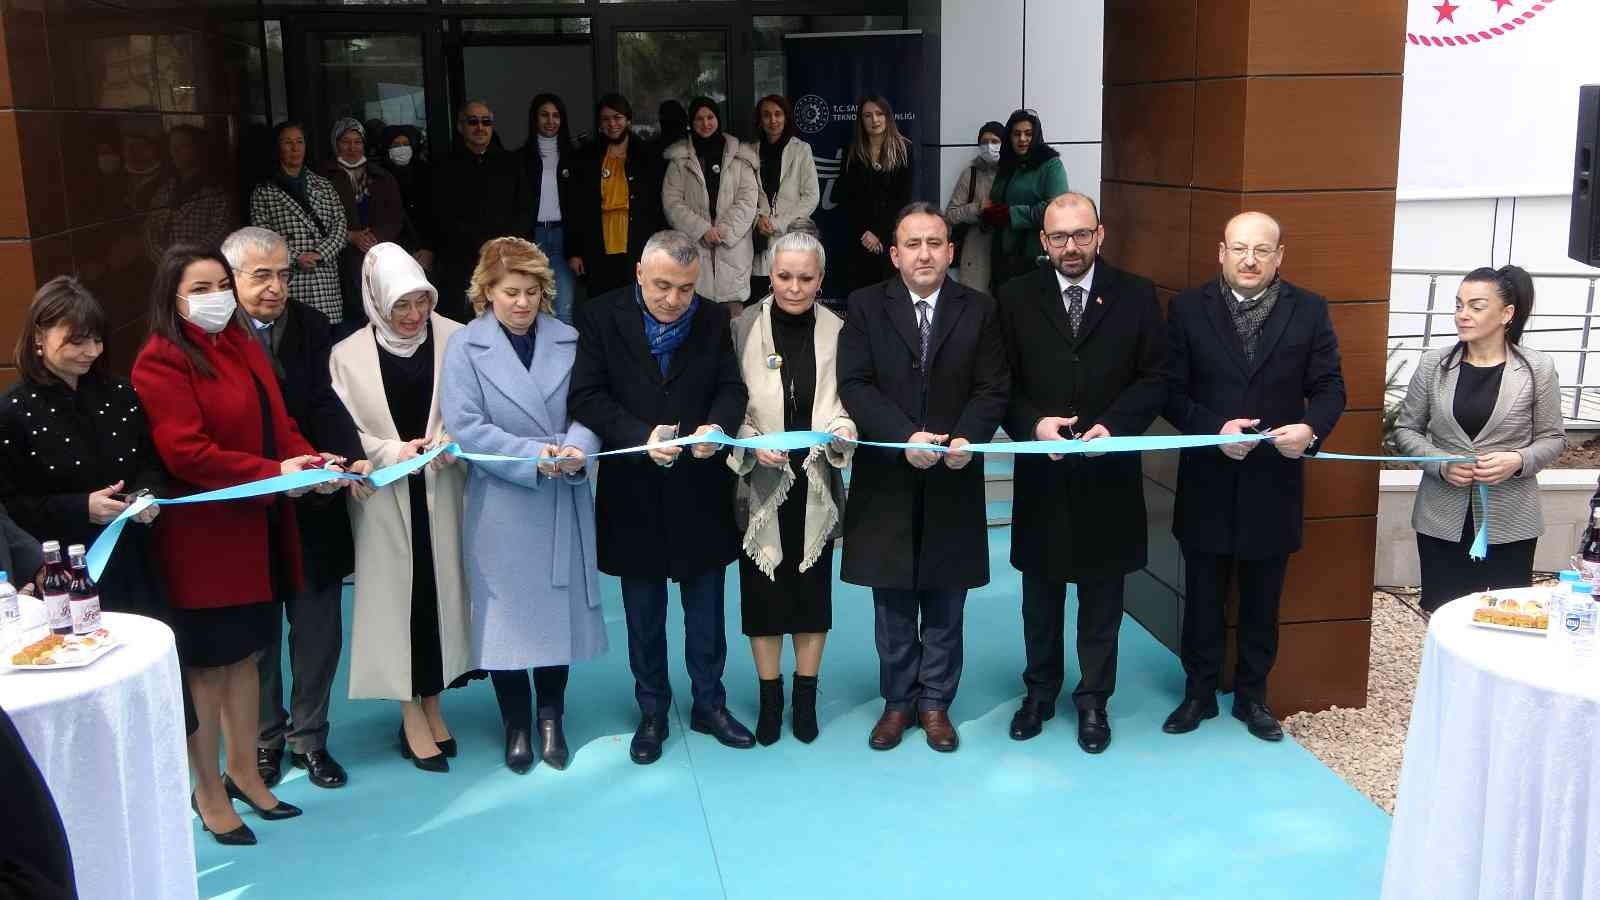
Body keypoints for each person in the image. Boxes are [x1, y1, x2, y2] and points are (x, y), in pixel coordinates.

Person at [132, 245, 348, 845]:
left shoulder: (240, 346)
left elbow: (279, 424)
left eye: (220, 284)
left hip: (255, 531)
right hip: (201, 543)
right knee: (207, 671)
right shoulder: (160, 361)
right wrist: (273, 473)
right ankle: (207, 792)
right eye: (199, 288)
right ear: (172, 299)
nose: (214, 298)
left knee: (248, 660)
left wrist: (308, 460)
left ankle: (244, 773)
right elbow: (185, 453)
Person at [569, 229, 754, 764]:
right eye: (662, 287)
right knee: (643, 613)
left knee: (707, 612)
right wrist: (637, 436)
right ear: (639, 276)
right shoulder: (600, 317)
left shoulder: (715, 318)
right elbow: (586, 395)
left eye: (686, 289)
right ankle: (652, 710)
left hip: (700, 487)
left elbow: (731, 388)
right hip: (634, 490)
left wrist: (715, 430)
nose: (674, 300)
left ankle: (709, 704)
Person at [1161, 212, 1346, 742]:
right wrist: (1213, 430)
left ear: (1279, 256)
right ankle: (1198, 694)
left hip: (1274, 481)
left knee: (1264, 599)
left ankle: (1252, 697)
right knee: (1201, 597)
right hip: (1208, 479)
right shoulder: (1188, 309)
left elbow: (1331, 388)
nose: (1249, 260)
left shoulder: (1309, 310)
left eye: (1261, 250)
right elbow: (1171, 391)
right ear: (1221, 251)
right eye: (1239, 248)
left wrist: (1310, 429)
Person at [836, 202, 1009, 753]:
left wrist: (966, 439)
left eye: (935, 243)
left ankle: (935, 701)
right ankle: (897, 701)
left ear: (951, 251)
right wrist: (903, 437)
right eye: (913, 244)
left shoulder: (979, 310)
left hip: (954, 472)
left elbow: (993, 388)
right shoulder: (864, 307)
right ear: (894, 253)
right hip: (888, 472)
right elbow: (856, 384)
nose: (925, 254)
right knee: (890, 598)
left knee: (945, 596)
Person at [996, 194, 1166, 754]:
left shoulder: (1137, 296)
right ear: (1043, 242)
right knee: (1039, 595)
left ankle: (1094, 699)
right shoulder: (1016, 297)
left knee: (1101, 598)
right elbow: (1002, 384)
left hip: (1108, 475)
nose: (1071, 247)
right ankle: (1039, 693)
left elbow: (1154, 378)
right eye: (1059, 237)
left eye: (1081, 234)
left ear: (1100, 234)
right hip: (1043, 476)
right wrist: (1032, 425)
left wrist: (1115, 427)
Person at [442, 237, 605, 774]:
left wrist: (579, 448)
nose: (522, 302)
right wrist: (536, 455)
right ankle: (515, 720)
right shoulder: (464, 347)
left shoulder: (571, 339)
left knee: (555, 616)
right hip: (503, 502)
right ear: (486, 291)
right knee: (505, 620)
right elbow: (466, 428)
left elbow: (589, 404)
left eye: (532, 292)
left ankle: (551, 716)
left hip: (562, 495)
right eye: (510, 291)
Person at [219, 226, 372, 792]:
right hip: (252, 502)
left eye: (284, 274)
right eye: (261, 275)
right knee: (259, 632)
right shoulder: (213, 333)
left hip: (315, 495)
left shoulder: (311, 325)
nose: (276, 287)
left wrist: (349, 460)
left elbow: (326, 403)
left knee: (317, 628)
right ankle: (265, 739)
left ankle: (311, 738)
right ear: (230, 278)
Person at [331, 242, 472, 773]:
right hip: (387, 494)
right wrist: (394, 452)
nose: (414, 317)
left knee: (440, 597)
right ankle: (410, 712)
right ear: (376, 302)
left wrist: (447, 440)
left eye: (421, 302)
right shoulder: (347, 355)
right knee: (400, 604)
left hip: (443, 487)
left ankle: (434, 702)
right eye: (401, 307)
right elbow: (345, 428)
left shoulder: (456, 338)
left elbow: (474, 405)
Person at [728, 228, 855, 745]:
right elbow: (726, 402)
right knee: (762, 595)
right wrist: (747, 440)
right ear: (769, 274)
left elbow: (849, 398)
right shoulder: (740, 328)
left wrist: (844, 427)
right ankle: (769, 697)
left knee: (811, 595)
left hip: (817, 479)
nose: (795, 288)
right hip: (758, 480)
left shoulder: (842, 330)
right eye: (784, 276)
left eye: (806, 278)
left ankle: (805, 698)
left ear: (821, 279)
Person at [1395, 266, 1565, 612]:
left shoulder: (1537, 368)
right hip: (1441, 518)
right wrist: (1441, 464)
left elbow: (1553, 438)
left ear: (1506, 314)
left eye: (1475, 306)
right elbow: (1406, 430)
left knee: (1505, 616)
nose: (1463, 315)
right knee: (1443, 614)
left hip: (1511, 521)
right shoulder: (1434, 364)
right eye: (1458, 305)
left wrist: (1517, 461)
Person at [0, 276, 167, 619]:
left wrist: (146, 496)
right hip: (64, 569)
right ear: (38, 338)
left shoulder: (120, 393)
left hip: (135, 555)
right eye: (76, 342)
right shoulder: (12, 410)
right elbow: (11, 507)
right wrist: (80, 507)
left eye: (96, 340)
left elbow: (151, 461)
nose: (91, 351)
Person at [432, 100, 534, 321]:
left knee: (506, 320)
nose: (480, 127)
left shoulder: (511, 163)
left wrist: (502, 244)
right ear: (461, 127)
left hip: (505, 259)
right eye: (473, 122)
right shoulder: (444, 166)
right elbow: (442, 215)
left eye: (486, 122)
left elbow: (525, 210)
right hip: (461, 261)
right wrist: (480, 244)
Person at [662, 97, 761, 307]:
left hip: (732, 248)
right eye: (699, 119)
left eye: (710, 117)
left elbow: (748, 199)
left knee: (733, 324)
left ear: (718, 119)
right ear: (691, 122)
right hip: (696, 246)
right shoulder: (679, 160)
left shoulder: (741, 157)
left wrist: (722, 231)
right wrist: (702, 229)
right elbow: (672, 203)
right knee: (697, 319)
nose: (705, 123)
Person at [249, 121, 349, 326]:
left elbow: (340, 226)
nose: (295, 148)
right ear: (278, 147)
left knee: (327, 342)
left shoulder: (323, 185)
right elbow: (262, 237)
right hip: (292, 278)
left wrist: (320, 253)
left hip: (324, 277)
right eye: (287, 142)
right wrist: (296, 257)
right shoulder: (264, 190)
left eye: (299, 142)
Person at [569, 94, 664, 296]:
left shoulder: (647, 156)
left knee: (636, 301)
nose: (612, 124)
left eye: (617, 117)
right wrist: (575, 251)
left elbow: (656, 207)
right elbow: (576, 207)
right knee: (601, 304)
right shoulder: (586, 157)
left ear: (628, 119)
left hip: (637, 242)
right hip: (597, 243)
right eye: (605, 119)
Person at [321, 119, 405, 336]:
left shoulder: (381, 175)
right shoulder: (323, 177)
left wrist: (373, 238)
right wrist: (350, 236)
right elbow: (321, 220)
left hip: (376, 257)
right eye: (345, 142)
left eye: (357, 142)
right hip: (340, 260)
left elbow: (395, 216)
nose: (352, 148)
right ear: (335, 144)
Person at [835, 96, 915, 292]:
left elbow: (902, 198)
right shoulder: (852, 151)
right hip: (859, 238)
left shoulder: (904, 149)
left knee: (890, 295)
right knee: (861, 297)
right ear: (861, 121)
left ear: (888, 117)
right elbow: (848, 198)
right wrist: (865, 233)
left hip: (889, 237)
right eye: (868, 115)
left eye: (879, 114)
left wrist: (879, 233)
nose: (875, 120)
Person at [984, 109, 1069, 288]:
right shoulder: (1007, 165)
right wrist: (988, 213)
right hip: (1003, 257)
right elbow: (995, 200)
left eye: (1028, 134)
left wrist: (1012, 214)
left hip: (1034, 258)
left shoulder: (1050, 165)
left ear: (1036, 135)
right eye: (1016, 134)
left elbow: (1057, 210)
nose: (1022, 139)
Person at [749, 96, 820, 303]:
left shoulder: (801, 149)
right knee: (760, 299)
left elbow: (811, 196)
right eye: (767, 115)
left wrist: (778, 223)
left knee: (789, 295)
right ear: (760, 120)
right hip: (756, 239)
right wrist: (756, 219)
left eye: (778, 114)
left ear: (786, 117)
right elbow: (742, 196)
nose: (773, 120)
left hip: (789, 235)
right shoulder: (749, 151)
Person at [520, 93, 583, 324]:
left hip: (562, 239)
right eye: (544, 115)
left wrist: (576, 249)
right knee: (530, 309)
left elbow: (578, 207)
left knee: (563, 308)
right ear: (534, 119)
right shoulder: (522, 157)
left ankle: (566, 361)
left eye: (556, 116)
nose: (550, 121)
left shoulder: (574, 157)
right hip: (532, 239)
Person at [145, 125, 233, 262]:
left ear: (198, 149)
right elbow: (150, 229)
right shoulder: (165, 189)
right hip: (165, 267)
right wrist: (165, 260)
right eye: (172, 146)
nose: (175, 152)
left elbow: (219, 233)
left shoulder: (215, 192)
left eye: (182, 146)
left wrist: (186, 260)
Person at [944, 121, 1005, 293]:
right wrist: (978, 208)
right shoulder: (970, 174)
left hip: (1007, 252)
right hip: (976, 252)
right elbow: (950, 215)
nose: (989, 146)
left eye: (994, 141)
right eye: (984, 142)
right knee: (976, 308)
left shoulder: (1013, 173)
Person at [381, 124, 437, 271]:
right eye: (395, 145)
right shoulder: (379, 177)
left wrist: (430, 248)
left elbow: (436, 216)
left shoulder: (426, 174)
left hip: (424, 254)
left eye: (405, 144)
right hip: (392, 255)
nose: (401, 148)